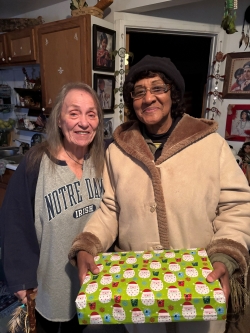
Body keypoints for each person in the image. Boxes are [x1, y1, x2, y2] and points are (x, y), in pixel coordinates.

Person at [68, 55, 250, 333]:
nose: (148, 98)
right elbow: (110, 209)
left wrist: (225, 254)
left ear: (173, 94)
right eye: (139, 92)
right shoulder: (117, 151)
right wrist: (87, 244)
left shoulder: (211, 145)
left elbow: (237, 206)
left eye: (158, 88)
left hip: (200, 286)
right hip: (139, 294)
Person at [0, 82, 105, 333]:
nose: (83, 122)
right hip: (51, 286)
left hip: (93, 280)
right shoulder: (36, 163)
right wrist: (21, 279)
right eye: (74, 113)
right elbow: (15, 223)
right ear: (59, 119)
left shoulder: (103, 159)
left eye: (91, 114)